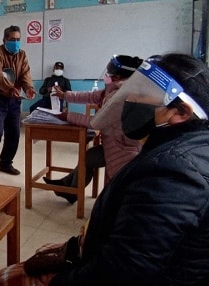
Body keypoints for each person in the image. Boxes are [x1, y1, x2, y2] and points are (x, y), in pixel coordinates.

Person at [0, 53, 209, 286]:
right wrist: (73, 252)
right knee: (33, 264)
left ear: (181, 112)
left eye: (144, 95)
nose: (132, 99)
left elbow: (120, 276)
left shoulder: (176, 177)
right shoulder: (196, 150)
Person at [43, 55, 143, 203]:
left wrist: (68, 116)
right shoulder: (117, 88)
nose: (106, 75)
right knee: (88, 157)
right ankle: (68, 187)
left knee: (91, 161)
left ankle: (72, 191)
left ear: (117, 76)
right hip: (116, 143)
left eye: (109, 72)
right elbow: (92, 96)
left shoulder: (122, 95)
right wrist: (65, 95)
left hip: (124, 149)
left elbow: (96, 122)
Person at [0, 25, 36, 176]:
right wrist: (9, 88)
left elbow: (25, 73)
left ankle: (6, 163)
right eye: (12, 39)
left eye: (18, 39)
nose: (16, 42)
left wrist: (28, 87)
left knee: (14, 133)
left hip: (14, 99)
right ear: (4, 40)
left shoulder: (22, 54)